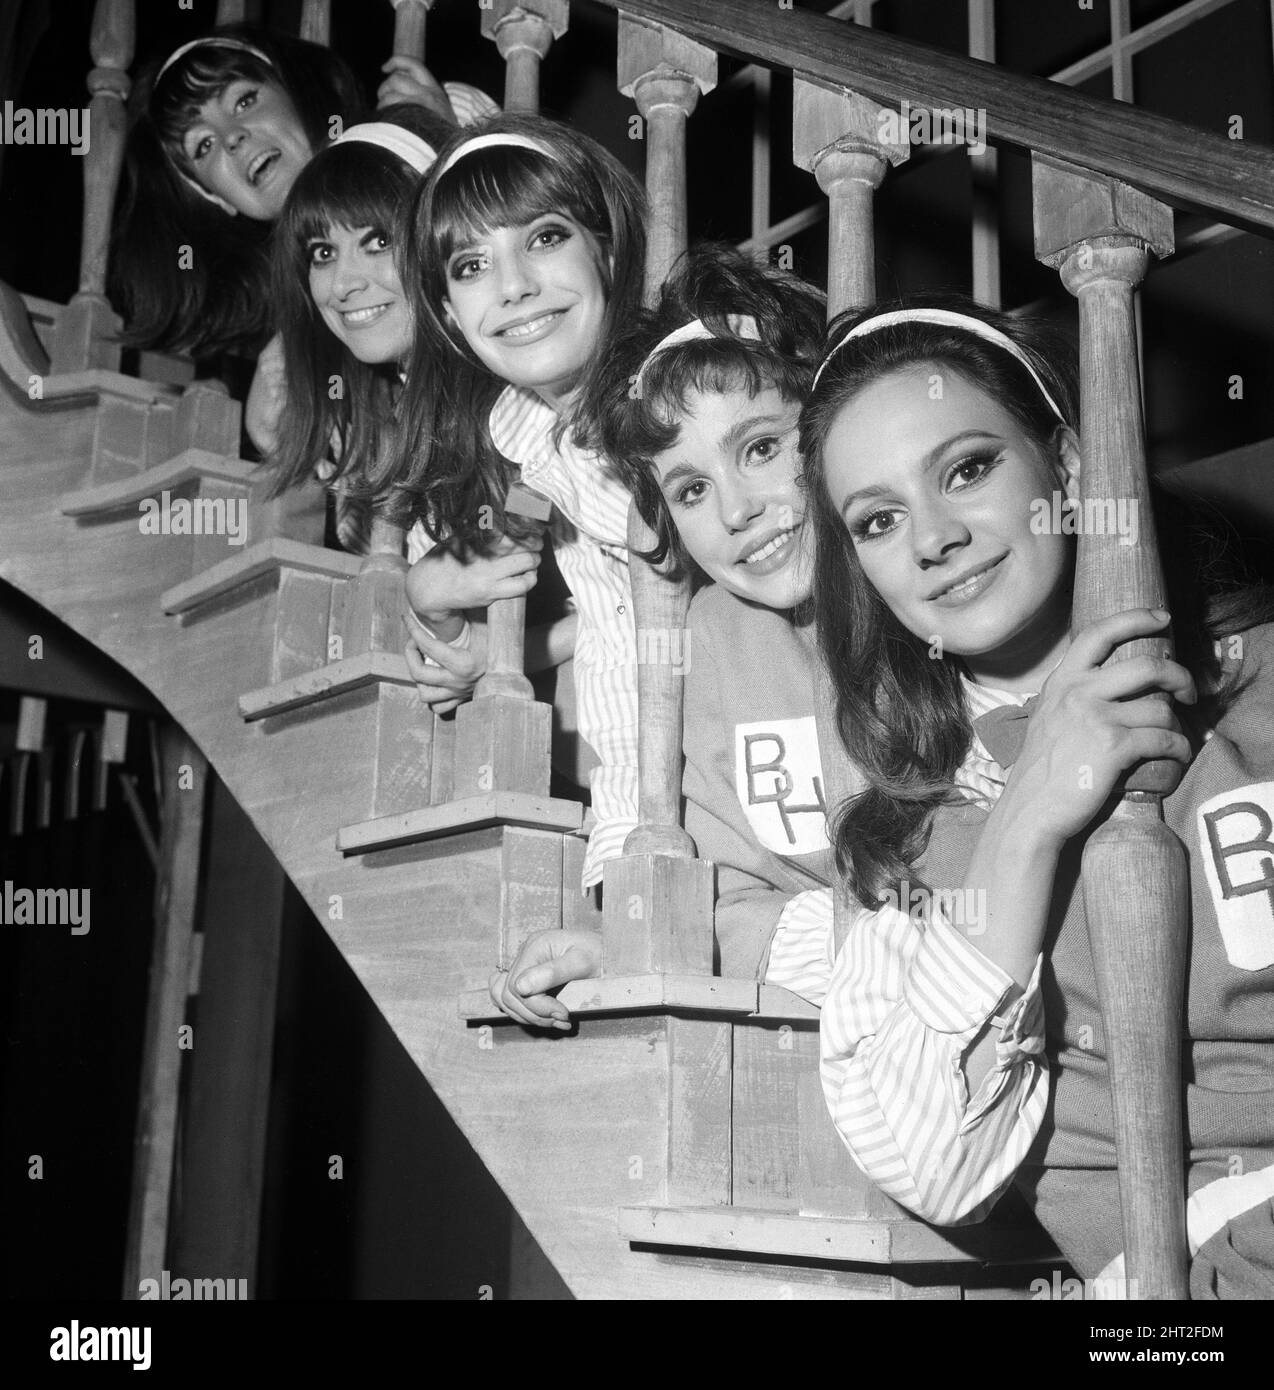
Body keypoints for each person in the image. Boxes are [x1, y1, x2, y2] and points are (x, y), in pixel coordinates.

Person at [804, 296, 1274, 1297]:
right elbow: (936, 1171)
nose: (931, 538)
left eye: (966, 469)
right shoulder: (898, 844)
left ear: (1064, 469)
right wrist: (1022, 822)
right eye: (878, 520)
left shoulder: (1260, 687)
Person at [486, 247, 845, 1027]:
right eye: (691, 489)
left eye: (761, 449)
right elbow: (717, 896)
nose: (738, 510)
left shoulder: (931, 597)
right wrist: (614, 935)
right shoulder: (712, 639)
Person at [395, 114, 647, 887]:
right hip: (647, 810)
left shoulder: (686, 392)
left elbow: (690, 591)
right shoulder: (520, 432)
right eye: (471, 265)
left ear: (604, 247)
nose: (513, 287)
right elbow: (617, 617)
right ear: (446, 313)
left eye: (543, 237)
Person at [110, 26, 496, 361]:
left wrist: (441, 142)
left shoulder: (449, 112)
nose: (231, 137)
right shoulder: (293, 317)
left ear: (297, 92)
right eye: (203, 145)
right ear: (217, 199)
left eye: (244, 101)